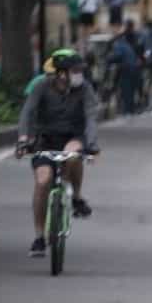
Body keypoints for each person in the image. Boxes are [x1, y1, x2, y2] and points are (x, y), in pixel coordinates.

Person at [16, 51, 100, 256]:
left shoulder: (85, 89)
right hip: (44, 139)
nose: (80, 74)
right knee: (43, 181)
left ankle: (77, 197)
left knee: (72, 155)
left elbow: (90, 117)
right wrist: (23, 140)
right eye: (75, 71)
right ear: (62, 74)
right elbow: (27, 112)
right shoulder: (41, 86)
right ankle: (38, 237)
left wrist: (92, 144)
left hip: (73, 137)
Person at [108, 21, 141, 115]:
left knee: (126, 89)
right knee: (131, 89)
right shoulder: (126, 43)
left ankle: (127, 110)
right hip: (134, 67)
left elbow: (117, 56)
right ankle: (132, 108)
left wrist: (109, 59)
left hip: (126, 68)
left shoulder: (119, 44)